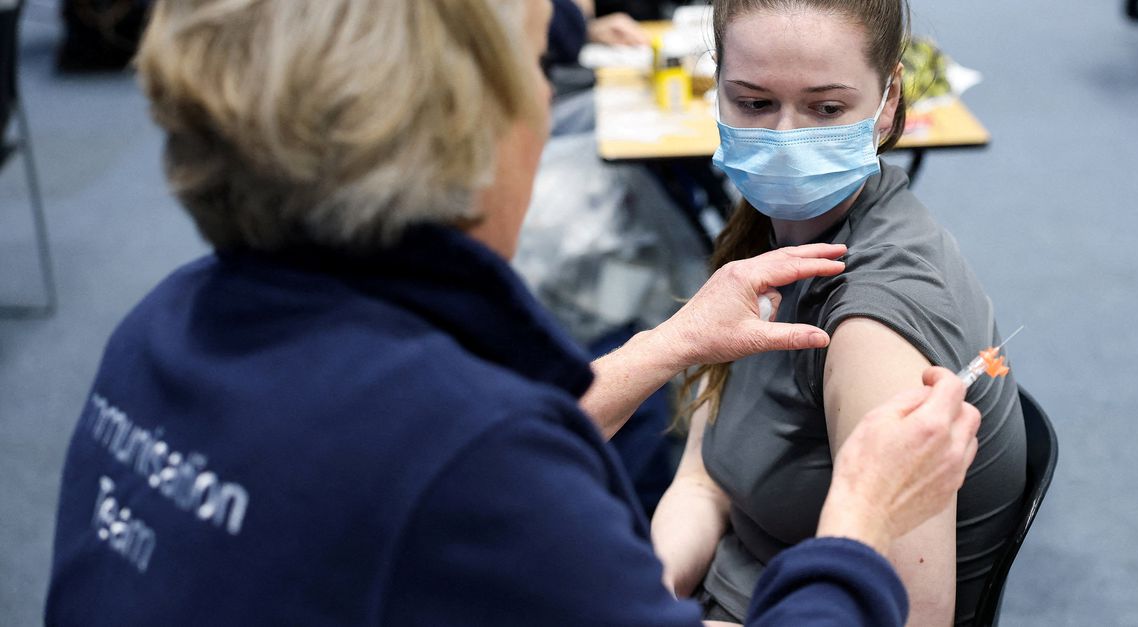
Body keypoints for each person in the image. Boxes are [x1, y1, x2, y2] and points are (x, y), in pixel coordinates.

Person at [44, 1, 979, 625]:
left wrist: (669, 344)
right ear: (458, 125)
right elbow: (450, 467)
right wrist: (857, 519)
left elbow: (378, 468)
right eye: (535, 64)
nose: (544, 93)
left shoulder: (161, 332)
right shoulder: (473, 462)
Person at [650, 1, 1028, 625]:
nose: (785, 139)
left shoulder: (871, 326)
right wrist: (645, 593)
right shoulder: (765, 243)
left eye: (826, 109)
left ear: (886, 102)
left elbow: (913, 619)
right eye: (752, 103)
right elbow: (704, 480)